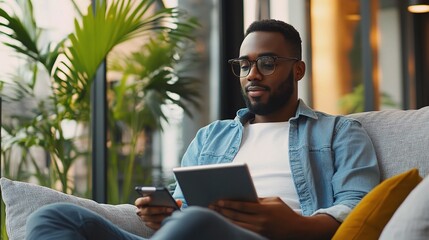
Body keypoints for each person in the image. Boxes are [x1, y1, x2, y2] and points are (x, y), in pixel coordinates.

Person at [26, 19, 380, 240]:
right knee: (55, 216)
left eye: (267, 63)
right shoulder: (212, 136)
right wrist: (162, 215)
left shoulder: (339, 132)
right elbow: (181, 208)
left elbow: (357, 207)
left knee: (198, 221)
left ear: (298, 70)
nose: (252, 74)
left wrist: (292, 226)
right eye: (244, 65)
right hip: (194, 231)